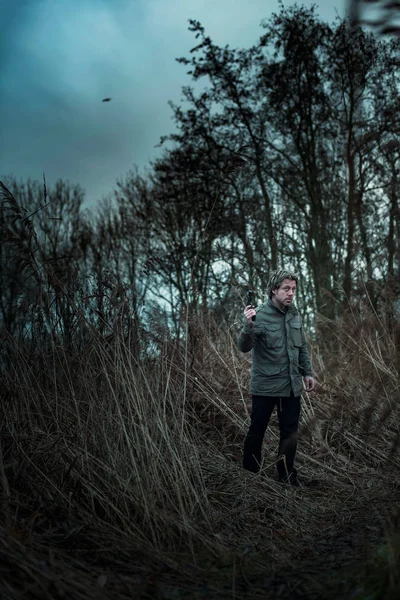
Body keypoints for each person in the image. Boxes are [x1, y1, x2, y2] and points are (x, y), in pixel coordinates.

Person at [238, 269, 315, 486]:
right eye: (286, 289)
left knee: (290, 434)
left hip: (291, 386)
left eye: (293, 289)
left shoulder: (295, 314)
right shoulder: (259, 314)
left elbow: (301, 347)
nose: (291, 293)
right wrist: (248, 325)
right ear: (274, 290)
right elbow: (244, 347)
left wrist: (307, 372)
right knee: (257, 431)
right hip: (265, 387)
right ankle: (250, 476)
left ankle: (286, 476)